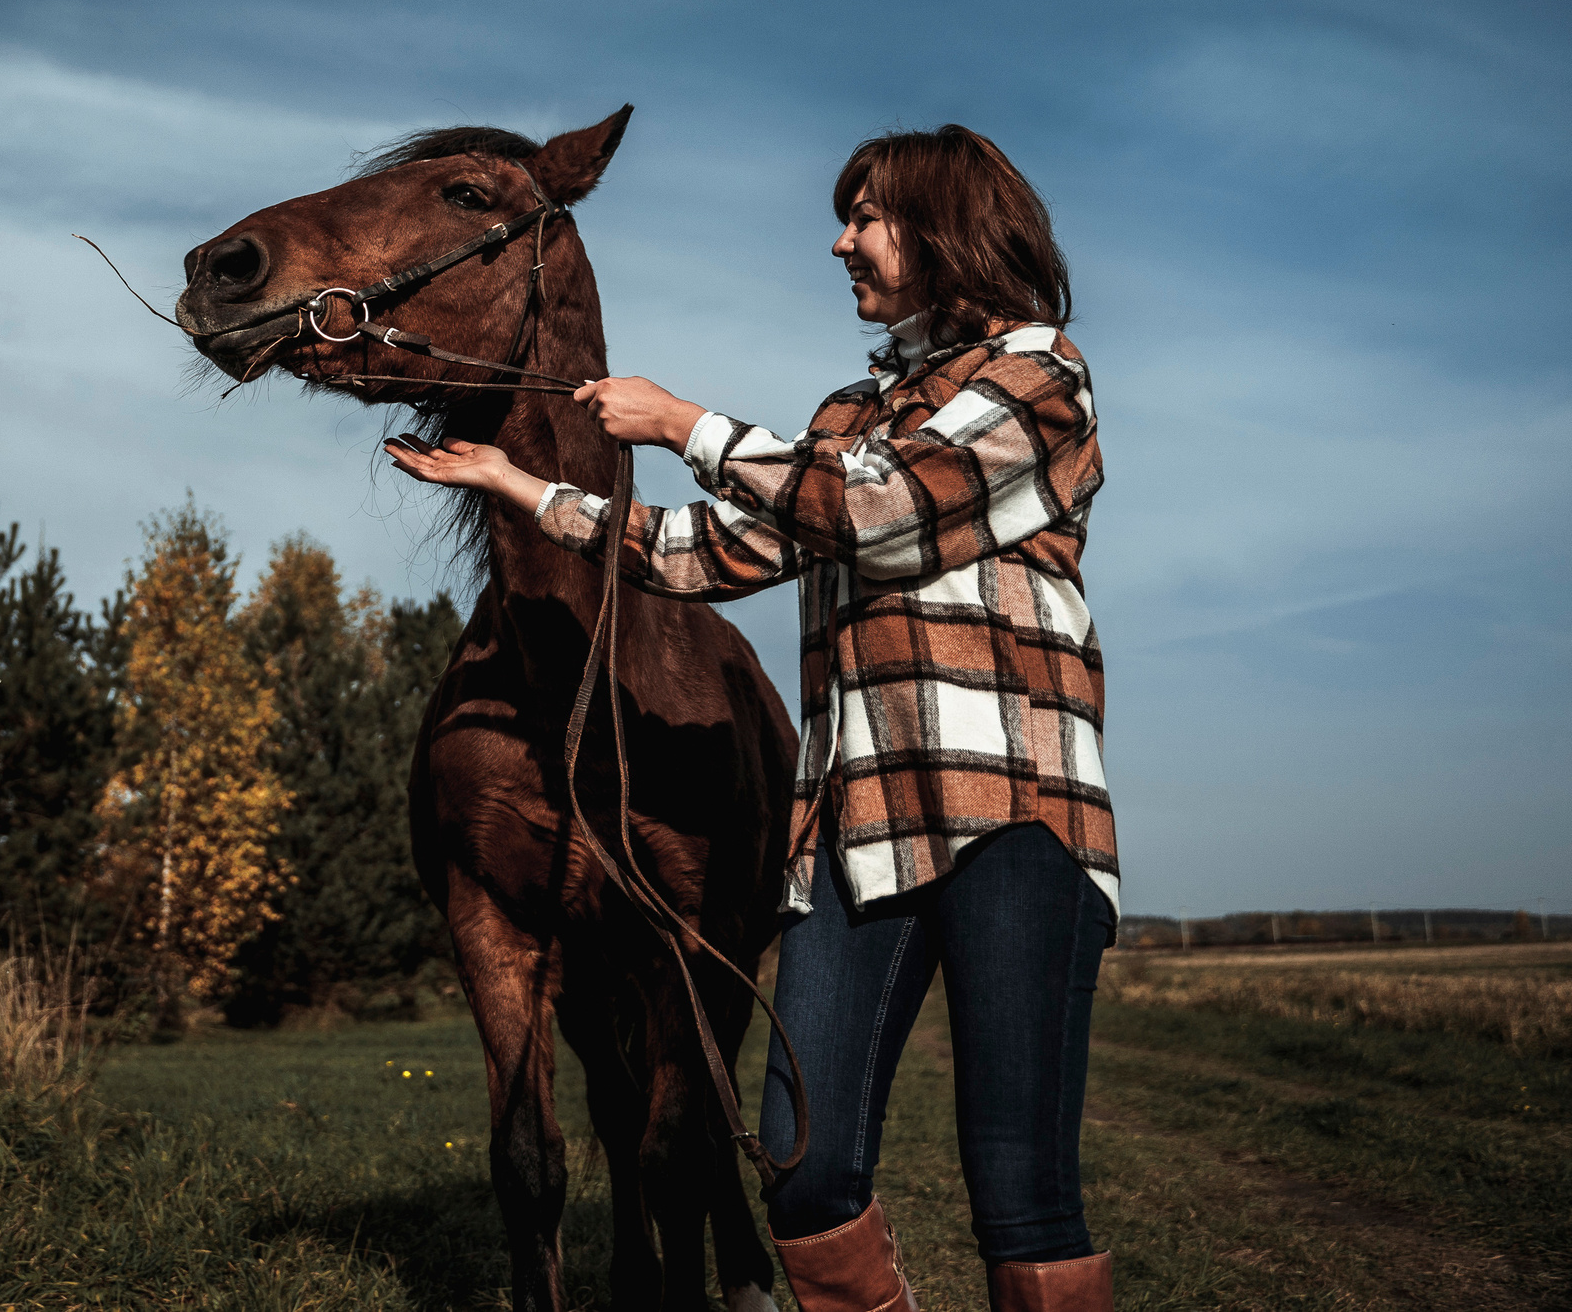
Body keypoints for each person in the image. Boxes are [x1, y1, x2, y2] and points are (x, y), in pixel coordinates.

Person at [384, 124, 1118, 1312]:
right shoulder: (850, 408)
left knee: (1020, 1188)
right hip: (854, 831)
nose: (842, 240)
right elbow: (713, 552)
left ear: (946, 228)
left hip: (1011, 817)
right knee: (802, 1169)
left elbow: (875, 507)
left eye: (866, 216)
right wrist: (520, 490)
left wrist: (683, 425)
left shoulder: (1039, 376)